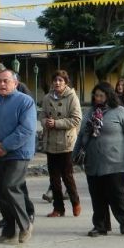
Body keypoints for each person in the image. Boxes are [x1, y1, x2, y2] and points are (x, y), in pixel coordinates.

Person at [73, 81, 124, 237]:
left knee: (116, 195)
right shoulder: (90, 112)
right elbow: (81, 135)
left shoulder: (120, 112)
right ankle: (100, 225)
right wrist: (74, 155)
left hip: (116, 163)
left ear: (109, 96)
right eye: (96, 96)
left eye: (101, 96)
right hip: (93, 163)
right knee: (97, 196)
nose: (98, 98)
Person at [0, 68, 37, 245]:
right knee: (1, 192)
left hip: (18, 153)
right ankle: (9, 231)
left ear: (15, 83)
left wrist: (5, 146)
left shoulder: (25, 101)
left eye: (6, 81)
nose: (2, 84)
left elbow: (26, 129)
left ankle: (25, 225)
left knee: (11, 186)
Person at [40, 70, 82, 218]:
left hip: (66, 143)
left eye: (60, 80)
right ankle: (58, 208)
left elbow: (76, 119)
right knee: (54, 178)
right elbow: (42, 115)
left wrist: (57, 123)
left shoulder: (72, 97)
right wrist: (45, 122)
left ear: (65, 82)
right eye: (55, 80)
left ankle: (75, 202)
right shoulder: (47, 98)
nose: (57, 83)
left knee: (67, 176)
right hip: (51, 143)